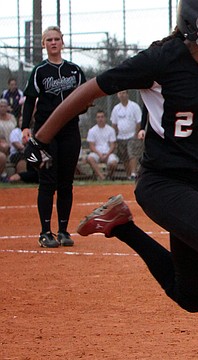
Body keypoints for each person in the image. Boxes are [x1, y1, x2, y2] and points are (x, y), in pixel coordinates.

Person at [24, 1, 198, 359]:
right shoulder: (159, 59)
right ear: (193, 24)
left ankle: (121, 226)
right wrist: (40, 138)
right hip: (162, 184)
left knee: (193, 297)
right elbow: (88, 91)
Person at [21, 25, 86, 248]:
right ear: (43, 44)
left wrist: (80, 107)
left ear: (62, 42)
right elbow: (30, 100)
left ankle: (64, 231)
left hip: (69, 131)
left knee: (66, 182)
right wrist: (25, 127)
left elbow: (84, 97)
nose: (53, 43)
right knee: (48, 181)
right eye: (49, 40)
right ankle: (45, 232)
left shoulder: (74, 71)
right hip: (46, 133)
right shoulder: (40, 71)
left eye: (56, 39)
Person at [110, 90, 143, 180]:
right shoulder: (116, 109)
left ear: (127, 94)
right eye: (120, 93)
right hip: (120, 137)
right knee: (124, 157)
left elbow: (138, 122)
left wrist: (136, 134)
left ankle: (133, 173)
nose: (122, 95)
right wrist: (115, 136)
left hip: (132, 136)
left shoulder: (134, 106)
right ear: (117, 95)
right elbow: (114, 124)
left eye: (124, 93)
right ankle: (128, 175)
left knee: (132, 154)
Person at [85, 109, 119, 181]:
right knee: (90, 158)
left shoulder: (111, 130)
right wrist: (99, 154)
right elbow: (91, 146)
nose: (100, 119)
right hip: (97, 153)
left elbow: (113, 145)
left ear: (105, 118)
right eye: (98, 117)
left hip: (108, 153)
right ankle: (102, 177)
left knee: (114, 163)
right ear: (96, 119)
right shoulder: (92, 130)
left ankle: (108, 176)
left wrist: (107, 155)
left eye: (102, 117)